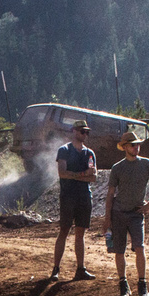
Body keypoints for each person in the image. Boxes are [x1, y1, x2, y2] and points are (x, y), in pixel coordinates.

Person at [103, 129, 149, 296]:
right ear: (124, 147)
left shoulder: (147, 164)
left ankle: (142, 285)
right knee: (119, 250)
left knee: (140, 247)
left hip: (136, 214)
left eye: (137, 144)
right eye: (132, 145)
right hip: (118, 213)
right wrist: (107, 218)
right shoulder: (117, 168)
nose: (136, 147)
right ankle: (123, 285)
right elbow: (110, 194)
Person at [50, 119, 97, 281]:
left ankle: (80, 268)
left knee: (80, 232)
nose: (85, 134)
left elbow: (94, 177)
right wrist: (83, 174)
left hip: (83, 196)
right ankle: (56, 268)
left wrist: (77, 176)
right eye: (82, 131)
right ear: (74, 131)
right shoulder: (64, 150)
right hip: (68, 196)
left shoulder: (89, 153)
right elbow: (62, 173)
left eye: (86, 132)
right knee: (64, 230)